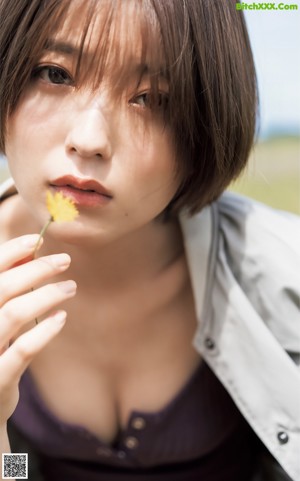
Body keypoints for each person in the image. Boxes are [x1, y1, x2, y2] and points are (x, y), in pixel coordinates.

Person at [0, 0, 299, 480]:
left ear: (204, 124)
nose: (90, 138)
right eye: (55, 74)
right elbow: (14, 473)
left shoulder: (285, 279)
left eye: (152, 98)